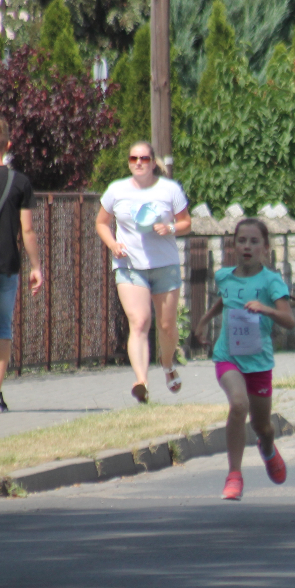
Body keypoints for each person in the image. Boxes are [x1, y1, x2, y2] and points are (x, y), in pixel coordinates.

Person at [193, 219, 295, 501]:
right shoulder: (224, 276)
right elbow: (224, 301)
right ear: (233, 245)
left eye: (253, 241)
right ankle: (234, 475)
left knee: (263, 426)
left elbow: (289, 319)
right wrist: (203, 321)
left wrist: (266, 309)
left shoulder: (271, 281)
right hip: (228, 357)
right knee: (239, 404)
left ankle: (268, 448)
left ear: (265, 247)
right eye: (242, 241)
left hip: (259, 363)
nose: (247, 246)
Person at [95, 141, 191, 404]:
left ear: (152, 162)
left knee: (167, 325)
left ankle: (168, 363)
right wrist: (113, 244)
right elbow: (102, 223)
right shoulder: (117, 190)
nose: (138, 162)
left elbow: (186, 222)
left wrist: (169, 228)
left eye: (144, 158)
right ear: (129, 161)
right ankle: (141, 381)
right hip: (129, 266)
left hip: (164, 265)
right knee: (139, 321)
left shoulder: (169, 190)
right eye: (133, 158)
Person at [0, 118, 43, 413]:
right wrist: (36, 266)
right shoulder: (19, 182)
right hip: (5, 264)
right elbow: (28, 230)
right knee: (0, 328)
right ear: (8, 146)